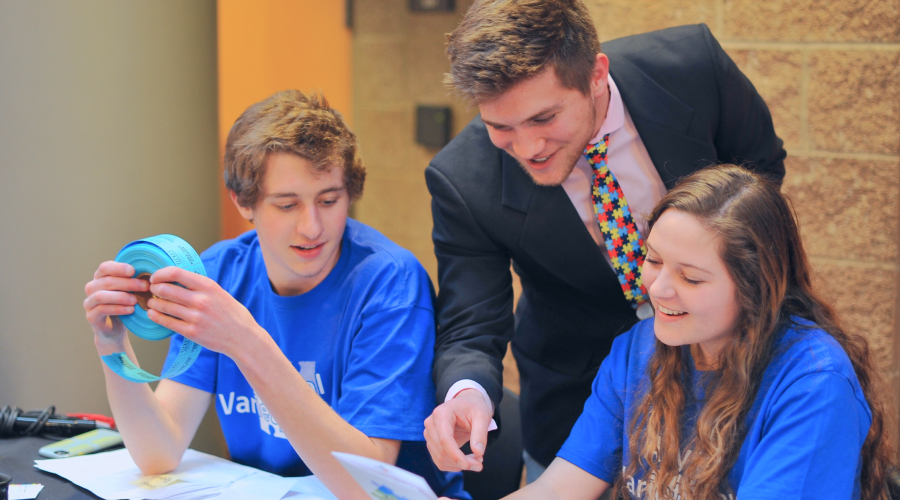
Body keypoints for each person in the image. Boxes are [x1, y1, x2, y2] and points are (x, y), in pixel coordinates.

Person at [423, 0, 787, 480]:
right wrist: (466, 392)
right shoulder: (463, 180)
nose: (528, 148)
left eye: (544, 118)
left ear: (596, 76)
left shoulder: (693, 69)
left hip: (736, 371)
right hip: (577, 398)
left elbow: (759, 176)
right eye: (501, 128)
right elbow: (471, 324)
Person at [84, 90, 468, 500]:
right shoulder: (219, 274)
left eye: (329, 200)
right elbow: (158, 453)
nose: (313, 227)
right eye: (287, 205)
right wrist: (112, 345)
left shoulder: (389, 283)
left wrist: (245, 341)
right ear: (243, 202)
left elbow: (365, 487)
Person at [465, 165, 897, 499]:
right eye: (653, 261)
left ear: (754, 287)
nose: (657, 289)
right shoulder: (639, 348)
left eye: (691, 278)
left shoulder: (812, 381)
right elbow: (560, 488)